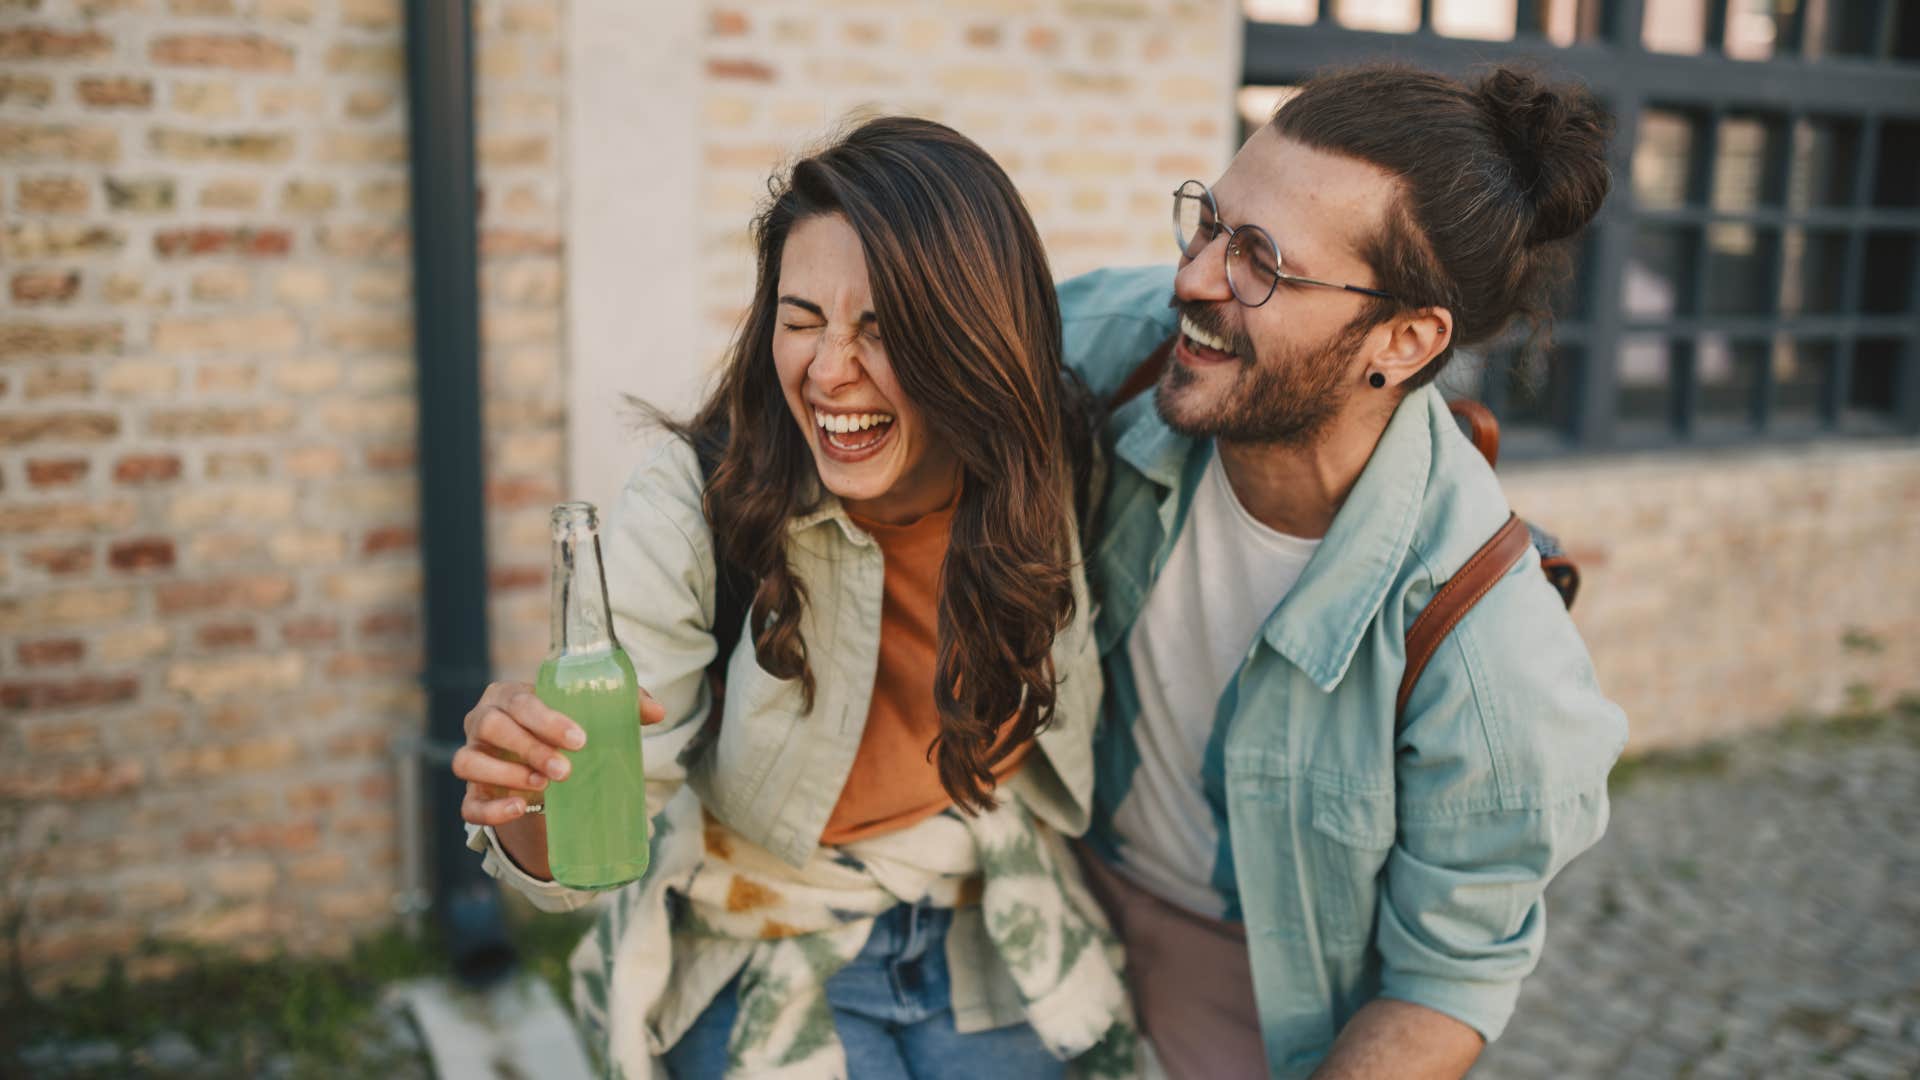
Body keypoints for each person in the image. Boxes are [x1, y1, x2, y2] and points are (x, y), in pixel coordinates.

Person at [451, 117, 1135, 1079]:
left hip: (987, 913)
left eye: (882, 327)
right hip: (762, 935)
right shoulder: (692, 505)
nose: (826, 371)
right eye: (802, 316)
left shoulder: (1057, 460)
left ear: (976, 339)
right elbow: (584, 845)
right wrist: (524, 799)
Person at [1058, 64, 1630, 1079]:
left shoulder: (1494, 654)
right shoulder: (1127, 350)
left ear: (1405, 341)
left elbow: (1442, 987)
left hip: (1258, 1009)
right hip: (1046, 898)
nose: (1192, 279)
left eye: (1262, 264)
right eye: (1210, 224)